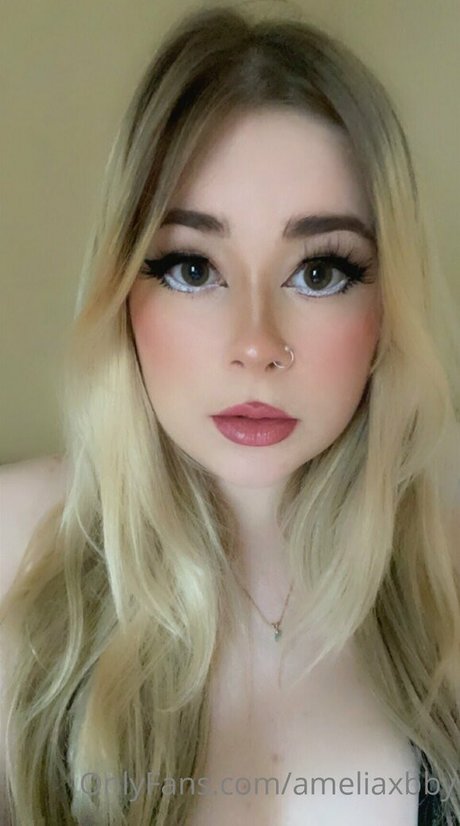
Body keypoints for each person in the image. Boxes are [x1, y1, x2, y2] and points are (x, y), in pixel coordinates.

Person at [1, 3, 459, 824]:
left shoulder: (446, 580)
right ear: (121, 290)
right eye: (190, 267)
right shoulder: (16, 549)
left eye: (319, 272)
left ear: (387, 307)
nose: (256, 344)